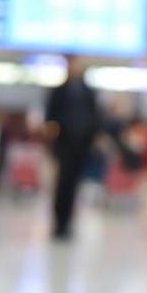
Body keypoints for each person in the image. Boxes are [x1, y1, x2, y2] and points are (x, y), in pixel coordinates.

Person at [45, 55, 101, 241]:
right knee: (62, 184)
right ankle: (58, 223)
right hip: (64, 144)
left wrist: (92, 139)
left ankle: (68, 223)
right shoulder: (59, 90)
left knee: (74, 186)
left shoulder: (88, 92)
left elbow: (95, 117)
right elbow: (50, 117)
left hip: (81, 146)